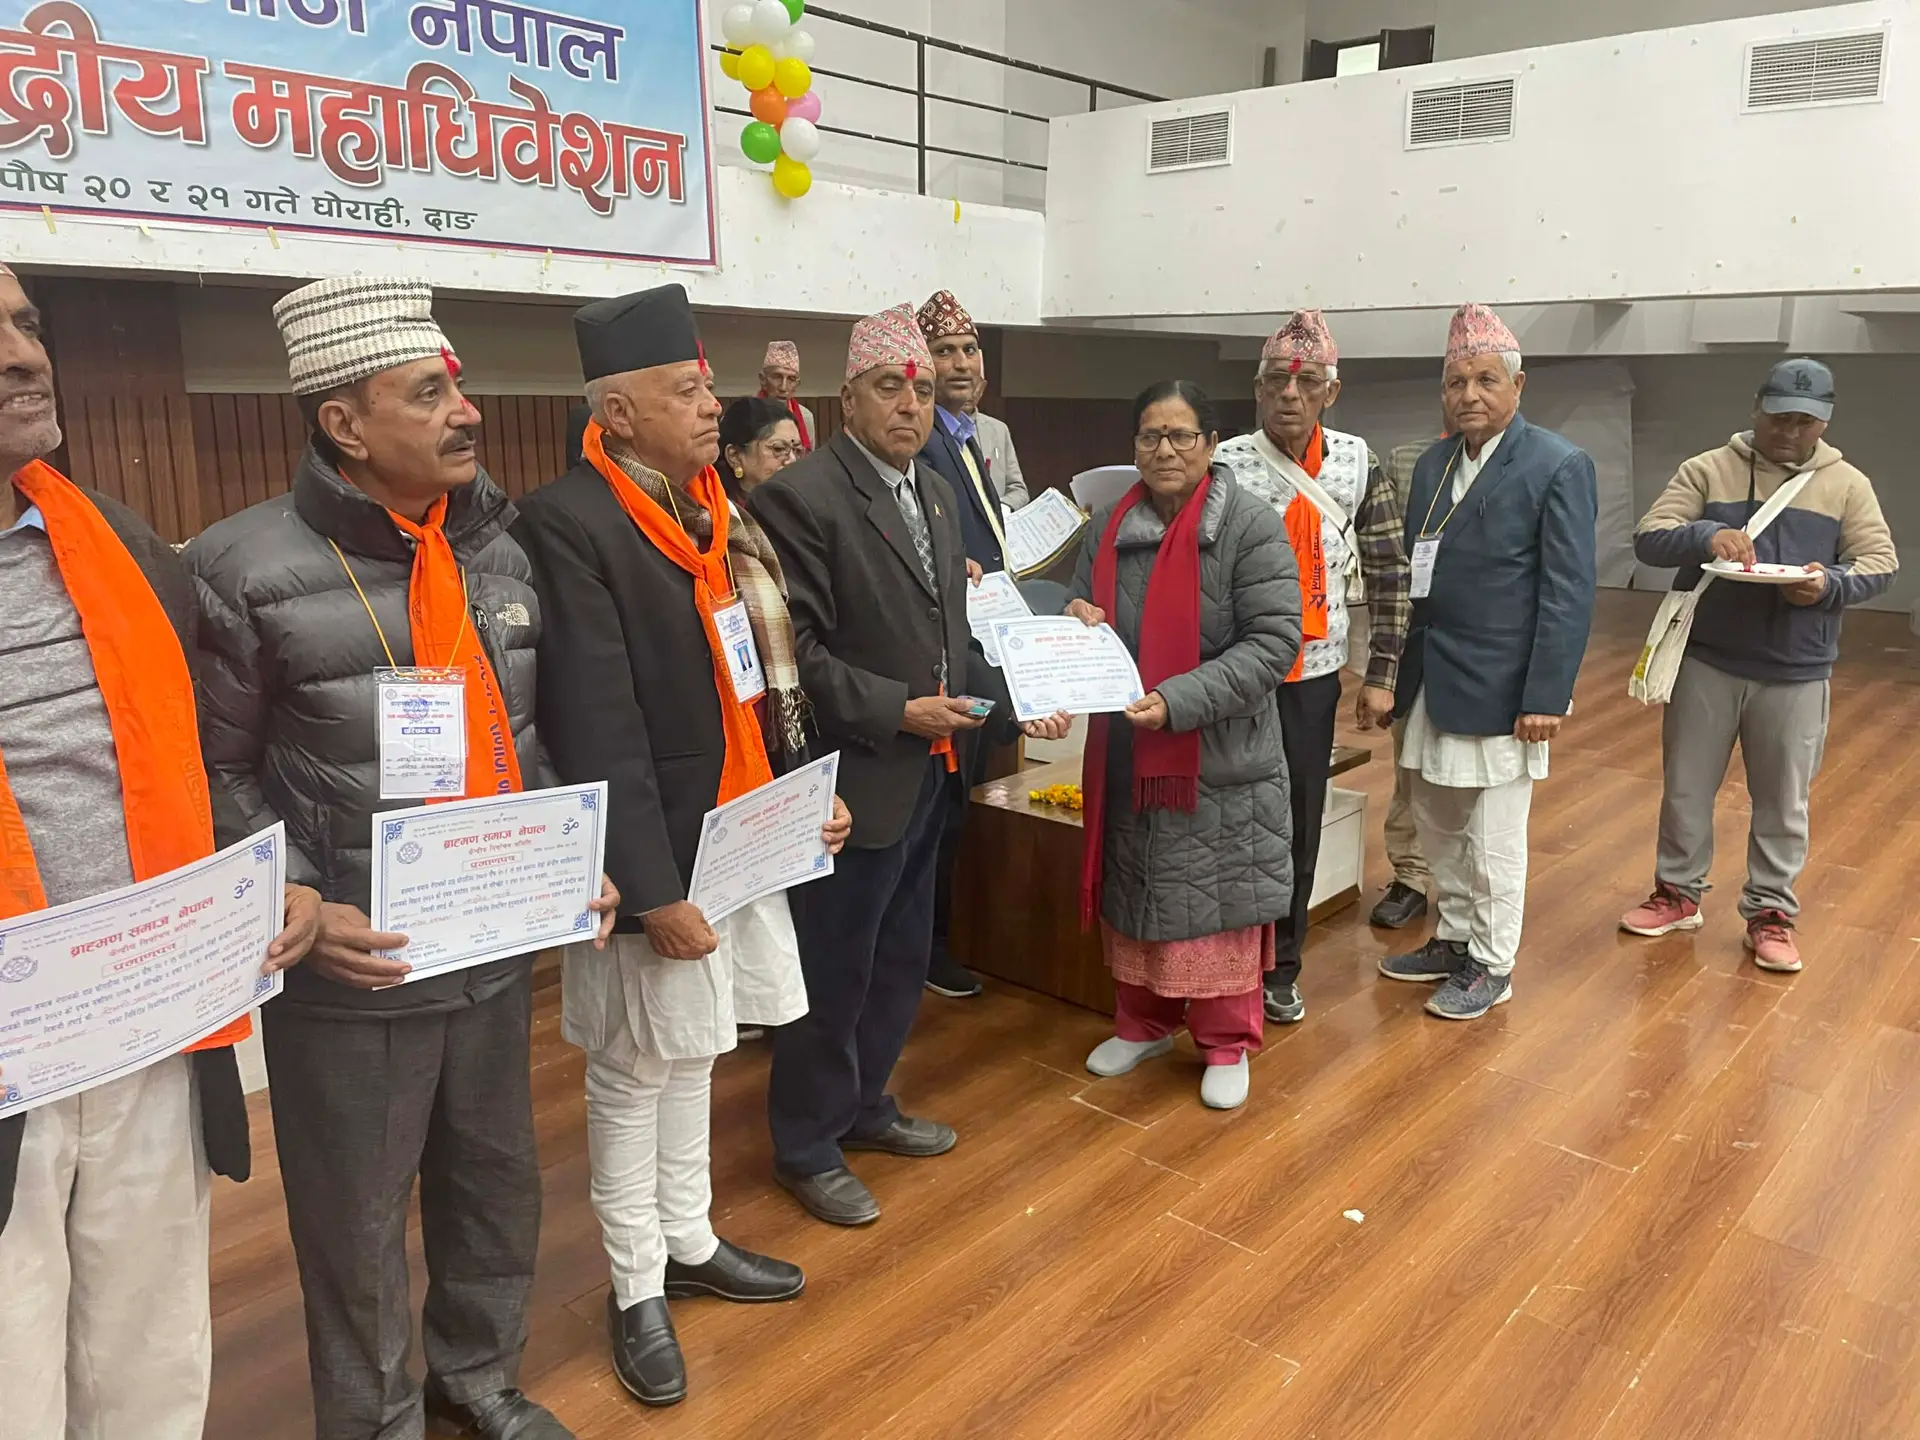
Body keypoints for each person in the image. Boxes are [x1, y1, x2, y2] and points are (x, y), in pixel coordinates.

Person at [189, 277, 616, 1440]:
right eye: (427, 394)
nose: (464, 412)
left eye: (456, 390)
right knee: (358, 1224)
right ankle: (375, 1423)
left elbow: (520, 734)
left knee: (496, 1184)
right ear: (344, 423)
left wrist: (566, 854)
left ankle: (478, 1379)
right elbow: (210, 771)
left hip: (489, 948)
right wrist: (297, 896)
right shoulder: (241, 567)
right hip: (356, 967)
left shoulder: (499, 553)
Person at [0, 264, 320, 1440]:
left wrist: (267, 873)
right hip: (9, 1055)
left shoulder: (119, 543)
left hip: (143, 1018)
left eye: (26, 324)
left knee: (149, 1356)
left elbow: (183, 755)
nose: (24, 356)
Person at [513, 284, 843, 1410]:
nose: (713, 407)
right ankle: (635, 1284)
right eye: (686, 390)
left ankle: (691, 1240)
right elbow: (595, 721)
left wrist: (800, 804)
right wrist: (652, 892)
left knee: (697, 1053)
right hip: (652, 849)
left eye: (708, 387)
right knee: (631, 1069)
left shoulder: (714, 511)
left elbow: (755, 683)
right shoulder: (571, 521)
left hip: (735, 829)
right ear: (615, 412)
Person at [749, 305, 985, 1227]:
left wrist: (1016, 684)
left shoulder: (937, 490)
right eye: (890, 387)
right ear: (846, 398)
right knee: (835, 968)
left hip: (930, 767)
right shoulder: (801, 498)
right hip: (849, 778)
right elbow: (794, 654)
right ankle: (806, 1143)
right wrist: (897, 709)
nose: (910, 405)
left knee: (898, 959)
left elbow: (950, 629)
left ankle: (865, 1106)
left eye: (921, 389)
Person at [1067, 381, 1301, 1111]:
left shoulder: (1251, 526)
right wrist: (1076, 618)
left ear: (1211, 443)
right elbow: (1082, 609)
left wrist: (1178, 701)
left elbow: (1274, 644)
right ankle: (1143, 1024)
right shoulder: (1109, 526)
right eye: (1149, 436)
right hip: (1129, 751)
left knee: (1216, 898)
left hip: (1220, 756)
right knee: (1139, 893)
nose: (1164, 450)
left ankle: (1226, 1041)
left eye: (1180, 435)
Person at [1620, 359, 1897, 972]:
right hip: (1707, 659)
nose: (1790, 431)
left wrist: (1827, 585)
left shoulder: (1847, 484)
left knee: (1783, 800)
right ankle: (1677, 893)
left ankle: (1771, 913)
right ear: (1756, 408)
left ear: (1825, 423)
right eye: (1779, 418)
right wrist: (1704, 535)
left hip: (1797, 668)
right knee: (1686, 787)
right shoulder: (1708, 468)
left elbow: (1880, 563)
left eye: (1805, 421)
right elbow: (1649, 536)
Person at [1379, 304, 1597, 1021]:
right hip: (1432, 674)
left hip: (1506, 686)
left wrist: (1546, 696)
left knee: (1494, 836)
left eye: (1485, 380)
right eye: (1456, 382)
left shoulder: (1557, 464)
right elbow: (1417, 575)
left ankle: (1493, 963)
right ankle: (1454, 937)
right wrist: (1392, 676)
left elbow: (1568, 592)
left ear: (1518, 385)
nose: (1469, 394)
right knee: (1437, 820)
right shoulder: (1432, 464)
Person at [1214, 311, 1410, 1026]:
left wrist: (1382, 673)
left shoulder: (1358, 462)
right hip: (1234, 673)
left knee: (1299, 816)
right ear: (1257, 387)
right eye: (1276, 381)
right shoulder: (1224, 461)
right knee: (1226, 812)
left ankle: (1281, 965)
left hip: (1313, 673)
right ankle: (1222, 959)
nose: (1289, 395)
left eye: (1306, 383)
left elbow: (1389, 571)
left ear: (1332, 392)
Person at [912, 290, 1012, 1001]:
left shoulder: (976, 436)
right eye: (943, 351)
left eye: (969, 350)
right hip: (945, 647)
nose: (960, 363)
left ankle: (942, 935)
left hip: (986, 627)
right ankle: (929, 945)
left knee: (960, 800)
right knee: (937, 807)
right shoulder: (923, 440)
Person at [1369, 434, 1440, 930]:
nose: (1468, 398)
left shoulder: (1525, 461)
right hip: (1414, 631)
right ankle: (1410, 877)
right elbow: (1386, 559)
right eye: (1454, 392)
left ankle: (1470, 886)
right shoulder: (1407, 459)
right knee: (1407, 762)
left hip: (1484, 638)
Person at [719, 395, 805, 499]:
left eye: (796, 450)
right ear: (735, 456)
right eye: (779, 449)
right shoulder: (718, 506)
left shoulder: (802, 502)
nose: (792, 459)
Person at [967, 383, 1029, 511]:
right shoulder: (931, 429)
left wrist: (1004, 507)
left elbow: (1019, 490)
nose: (966, 392)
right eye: (959, 385)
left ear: (981, 388)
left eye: (972, 384)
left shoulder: (999, 429)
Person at [758, 340, 816, 453]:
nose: (783, 387)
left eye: (791, 379)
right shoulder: (743, 415)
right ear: (763, 380)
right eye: (777, 377)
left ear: (797, 384)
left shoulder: (806, 417)